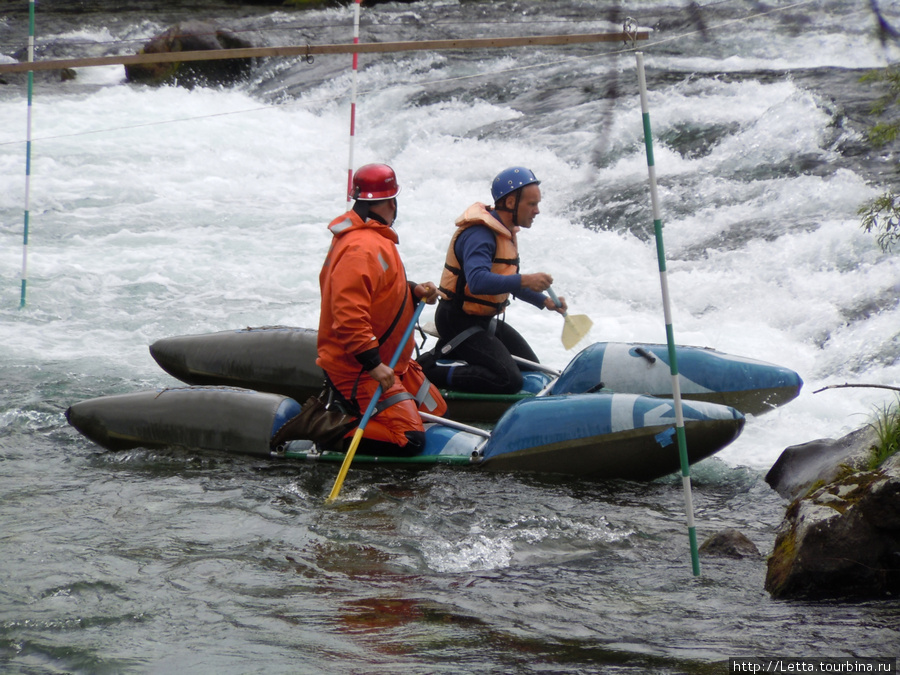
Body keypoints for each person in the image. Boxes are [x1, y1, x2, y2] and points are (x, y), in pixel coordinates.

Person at [317, 163, 447, 457]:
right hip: (360, 370)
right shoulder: (361, 248)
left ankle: (380, 408)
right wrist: (374, 364)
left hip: (392, 362)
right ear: (391, 202)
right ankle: (328, 424)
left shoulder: (373, 238)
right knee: (409, 439)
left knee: (435, 409)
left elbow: (382, 288)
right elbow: (348, 316)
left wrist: (414, 291)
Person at [421, 166, 568, 395]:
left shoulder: (504, 232)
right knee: (508, 380)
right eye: (531, 204)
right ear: (510, 203)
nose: (537, 211)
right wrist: (525, 280)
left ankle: (456, 354)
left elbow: (506, 280)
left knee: (534, 369)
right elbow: (478, 282)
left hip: (482, 321)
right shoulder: (479, 235)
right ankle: (429, 370)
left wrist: (544, 301)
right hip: (457, 322)